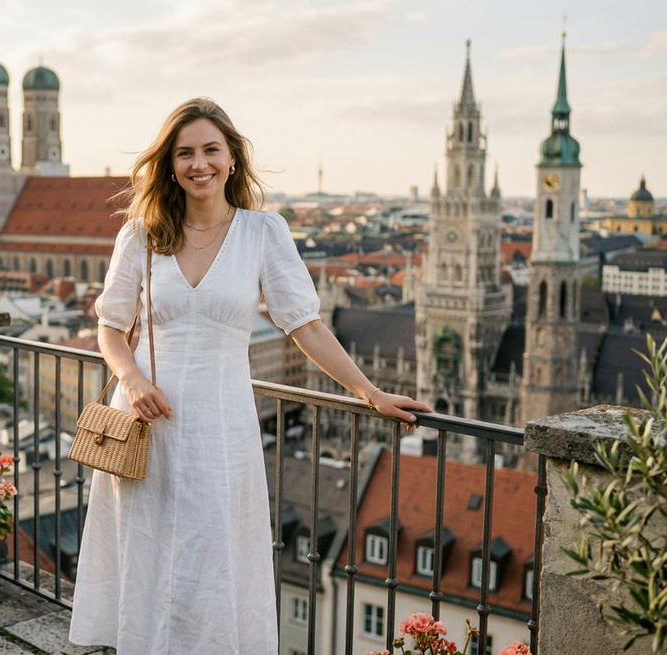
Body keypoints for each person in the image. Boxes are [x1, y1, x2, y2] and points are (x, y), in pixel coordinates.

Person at [67, 97, 431, 654]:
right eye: (185, 153)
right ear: (170, 165)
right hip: (143, 421)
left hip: (221, 425)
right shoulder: (141, 234)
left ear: (232, 159)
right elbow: (110, 328)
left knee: (213, 556)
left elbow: (305, 327)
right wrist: (133, 380)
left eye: (211, 150)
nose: (199, 163)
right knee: (146, 549)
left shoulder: (263, 233)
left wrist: (370, 392)